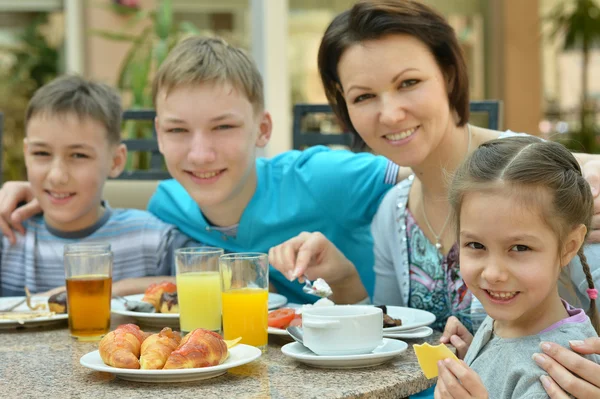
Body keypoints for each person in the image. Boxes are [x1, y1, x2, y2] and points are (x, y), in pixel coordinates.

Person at [265, 0, 600, 396]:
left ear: (449, 76)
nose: (390, 114)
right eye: (363, 97)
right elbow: (399, 341)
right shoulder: (392, 211)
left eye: (408, 83)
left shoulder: (543, 184)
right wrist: (343, 278)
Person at [0, 37, 399, 305]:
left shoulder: (323, 176)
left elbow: (434, 170)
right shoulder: (168, 206)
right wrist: (46, 191)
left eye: (223, 127)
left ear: (262, 129)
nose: (201, 154)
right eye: (178, 130)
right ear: (158, 133)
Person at [434, 136, 600, 398]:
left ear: (569, 246)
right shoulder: (509, 317)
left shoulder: (557, 375)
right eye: (476, 245)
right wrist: (478, 358)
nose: (493, 273)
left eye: (520, 248)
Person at [0, 75, 196, 297]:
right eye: (41, 153)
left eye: (78, 155)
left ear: (116, 161)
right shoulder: (7, 236)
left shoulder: (151, 239)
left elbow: (219, 278)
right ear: (26, 154)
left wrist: (113, 289)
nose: (57, 176)